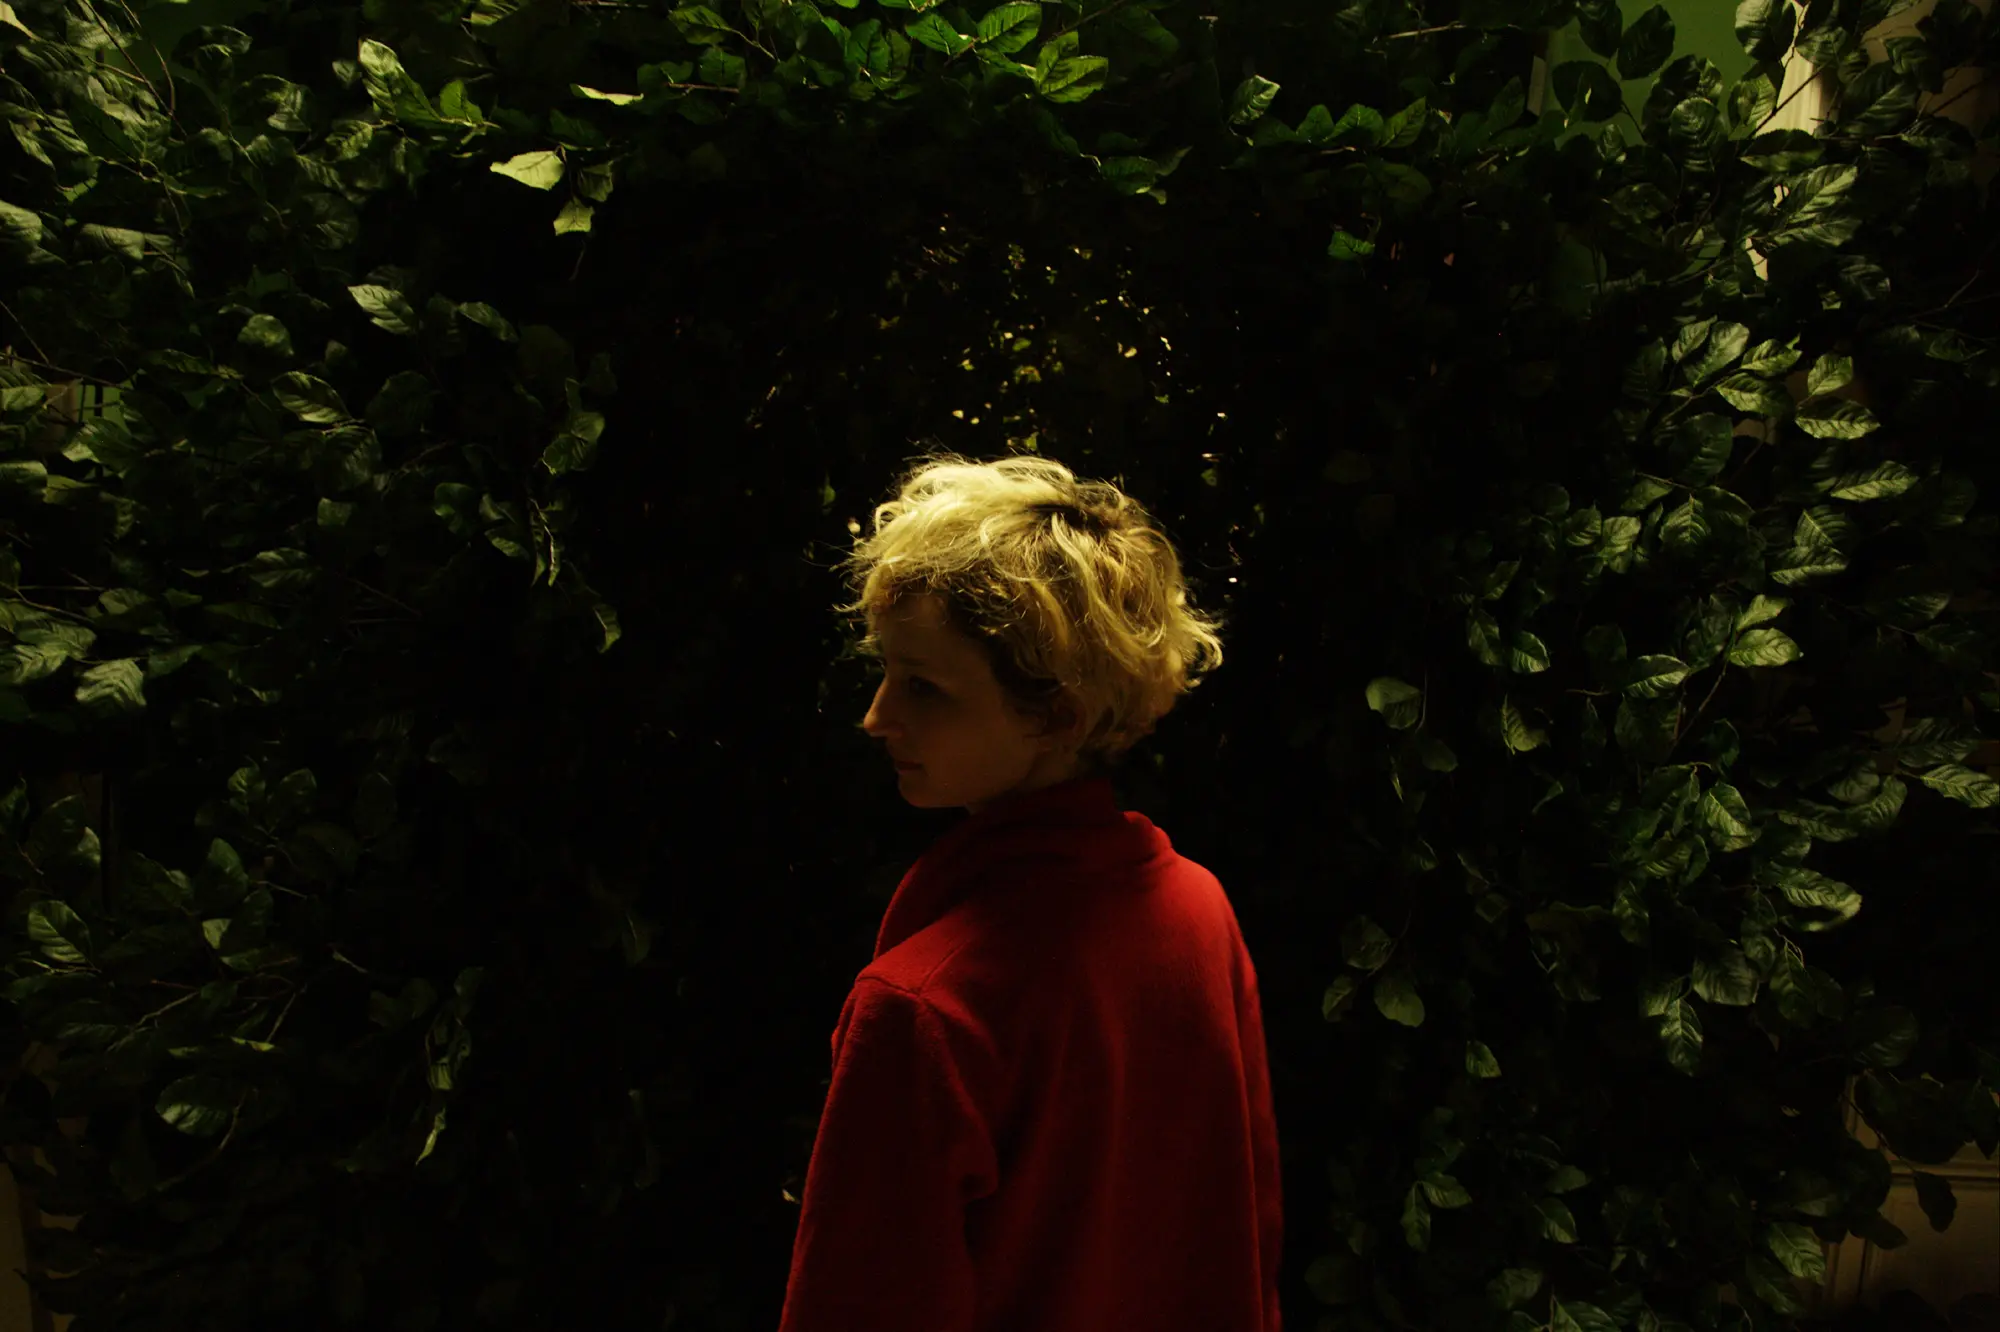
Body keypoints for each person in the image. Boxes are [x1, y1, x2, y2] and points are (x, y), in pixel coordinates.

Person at [777, 449, 1283, 1331]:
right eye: (886, 670)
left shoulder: (925, 1007)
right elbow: (1244, 1238)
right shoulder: (1198, 908)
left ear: (1057, 717)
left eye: (924, 686)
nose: (877, 716)